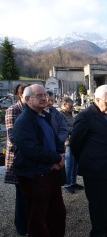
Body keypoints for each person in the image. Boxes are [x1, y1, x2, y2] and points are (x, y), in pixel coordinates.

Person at [70, 85, 107, 237]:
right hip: (95, 170)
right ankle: (98, 232)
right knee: (98, 205)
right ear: (97, 100)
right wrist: (89, 162)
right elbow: (75, 144)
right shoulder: (85, 116)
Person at [12, 84, 66, 237]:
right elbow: (32, 149)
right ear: (28, 99)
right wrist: (57, 158)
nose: (44, 98)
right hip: (35, 176)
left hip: (51, 173)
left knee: (57, 213)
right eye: (39, 96)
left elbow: (56, 140)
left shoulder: (44, 116)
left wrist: (60, 155)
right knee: (37, 219)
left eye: (44, 95)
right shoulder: (24, 121)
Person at [4, 83, 31, 236]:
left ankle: (29, 223)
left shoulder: (30, 110)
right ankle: (21, 227)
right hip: (18, 158)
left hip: (30, 158)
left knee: (29, 194)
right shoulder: (13, 110)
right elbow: (13, 136)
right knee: (21, 195)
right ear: (22, 95)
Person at [60, 97, 84, 194]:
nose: (72, 108)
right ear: (64, 104)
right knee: (69, 164)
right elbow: (64, 128)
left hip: (73, 141)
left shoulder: (69, 113)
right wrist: (75, 129)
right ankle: (67, 184)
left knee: (74, 163)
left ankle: (73, 181)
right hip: (67, 142)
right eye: (70, 106)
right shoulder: (61, 114)